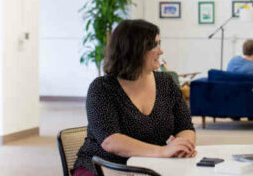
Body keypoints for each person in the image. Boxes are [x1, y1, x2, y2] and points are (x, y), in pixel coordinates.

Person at [72, 20, 196, 176]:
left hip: (151, 165)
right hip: (103, 166)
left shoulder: (166, 83)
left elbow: (185, 127)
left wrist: (183, 146)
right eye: (155, 45)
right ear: (135, 50)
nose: (161, 51)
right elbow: (111, 141)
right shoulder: (102, 88)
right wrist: (163, 151)